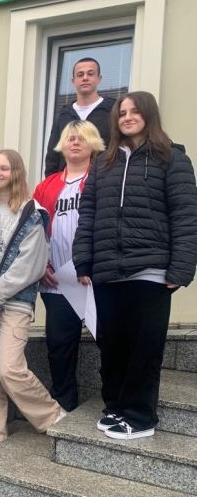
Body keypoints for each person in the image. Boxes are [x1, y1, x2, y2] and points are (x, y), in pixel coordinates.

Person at [73, 91, 197, 440]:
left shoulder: (172, 159)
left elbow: (186, 216)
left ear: (148, 115)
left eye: (134, 111)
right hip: (107, 271)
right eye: (122, 112)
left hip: (151, 270)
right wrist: (83, 260)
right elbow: (88, 214)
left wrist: (181, 268)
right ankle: (116, 406)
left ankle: (141, 418)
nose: (127, 117)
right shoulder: (103, 163)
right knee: (112, 345)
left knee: (144, 348)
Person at [0, 149, 65, 447]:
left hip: (14, 304)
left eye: (3, 168)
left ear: (16, 172)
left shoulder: (33, 213)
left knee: (10, 370)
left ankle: (54, 418)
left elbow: (29, 267)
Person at [33, 121, 104, 412]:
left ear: (93, 144)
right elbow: (33, 232)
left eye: (81, 139)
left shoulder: (102, 179)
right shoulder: (46, 186)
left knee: (110, 340)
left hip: (95, 277)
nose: (75, 143)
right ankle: (64, 402)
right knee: (59, 346)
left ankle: (115, 401)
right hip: (57, 280)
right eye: (70, 138)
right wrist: (42, 266)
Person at [45, 57, 114, 176]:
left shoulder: (113, 110)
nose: (85, 78)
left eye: (90, 74)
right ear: (73, 81)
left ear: (99, 78)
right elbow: (53, 155)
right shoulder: (63, 115)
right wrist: (51, 181)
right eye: (80, 74)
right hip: (67, 181)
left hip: (104, 180)